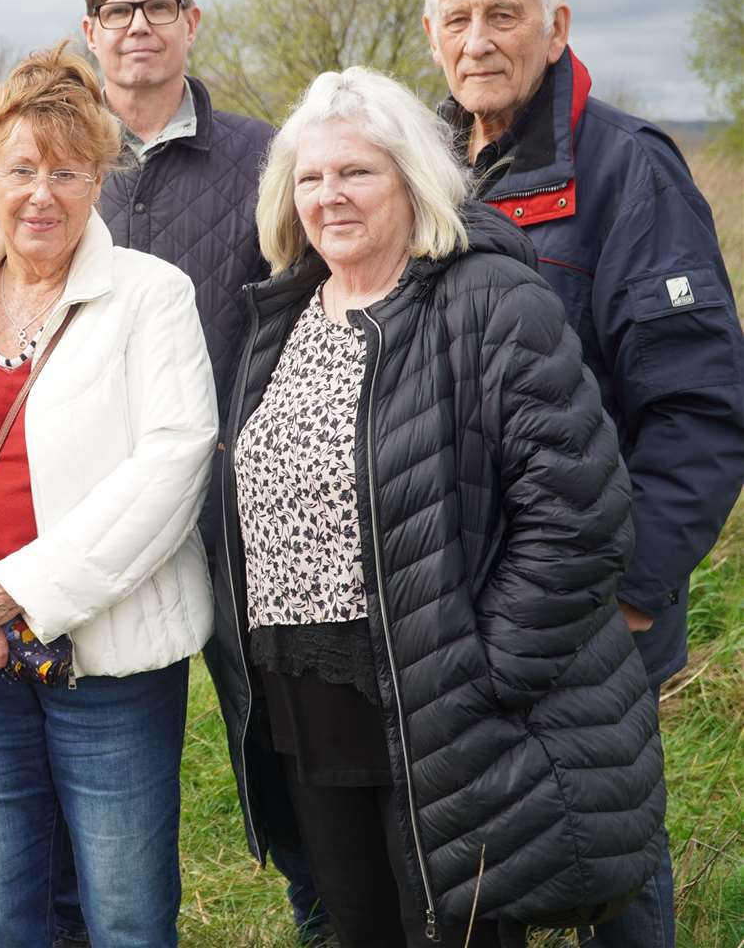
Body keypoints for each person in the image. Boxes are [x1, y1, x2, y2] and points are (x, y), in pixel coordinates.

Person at [204, 66, 666, 948]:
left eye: (356, 173)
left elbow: (577, 514)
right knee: (360, 926)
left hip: (439, 710)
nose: (328, 195)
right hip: (305, 700)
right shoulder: (286, 310)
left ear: (411, 178)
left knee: (452, 934)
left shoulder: (487, 299)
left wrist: (487, 673)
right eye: (309, 177)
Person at [418, 0, 744, 948]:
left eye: (502, 14)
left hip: (593, 599)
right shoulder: (414, 167)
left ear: (554, 26)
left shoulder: (624, 171)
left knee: (610, 855)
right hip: (455, 596)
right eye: (456, 17)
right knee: (474, 848)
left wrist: (637, 595)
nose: (476, 40)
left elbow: (696, 410)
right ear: (429, 34)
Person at [0, 44, 218, 947]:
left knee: (127, 917)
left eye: (66, 171)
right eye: (21, 168)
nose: (41, 194)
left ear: (98, 179)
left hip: (110, 659)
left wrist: (18, 587)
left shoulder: (151, 296)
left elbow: (175, 460)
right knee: (7, 909)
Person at [79, 0, 325, 946]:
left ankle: (327, 912)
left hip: (239, 515)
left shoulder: (266, 157)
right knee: (91, 756)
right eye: (117, 11)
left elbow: (314, 318)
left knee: (286, 744)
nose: (138, 26)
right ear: (88, 33)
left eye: (157, 7)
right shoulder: (60, 159)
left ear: (189, 25)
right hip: (92, 511)